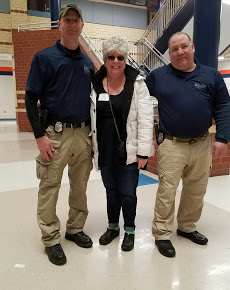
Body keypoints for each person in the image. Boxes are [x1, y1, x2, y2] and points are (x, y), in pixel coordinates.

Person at [145, 32, 230, 258]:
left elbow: (224, 106)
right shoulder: (157, 77)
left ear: (192, 47)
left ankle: (187, 227)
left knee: (196, 190)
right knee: (167, 191)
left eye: (183, 46)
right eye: (174, 49)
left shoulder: (211, 76)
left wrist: (223, 137)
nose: (179, 52)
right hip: (171, 144)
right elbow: (137, 98)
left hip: (202, 143)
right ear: (170, 53)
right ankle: (162, 234)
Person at [25, 4, 94, 266]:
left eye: (77, 20)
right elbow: (31, 98)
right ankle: (51, 238)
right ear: (60, 24)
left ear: (82, 26)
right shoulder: (45, 58)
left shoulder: (87, 62)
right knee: (50, 185)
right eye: (68, 20)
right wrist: (39, 135)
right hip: (54, 134)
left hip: (82, 134)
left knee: (80, 185)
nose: (73, 24)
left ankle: (75, 229)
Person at [90, 36, 154, 251]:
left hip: (130, 151)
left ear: (125, 59)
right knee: (111, 191)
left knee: (128, 192)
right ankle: (112, 227)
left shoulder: (137, 84)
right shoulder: (96, 83)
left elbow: (146, 121)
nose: (115, 61)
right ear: (104, 58)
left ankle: (129, 230)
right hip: (105, 150)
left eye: (120, 57)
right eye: (111, 57)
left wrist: (143, 153)